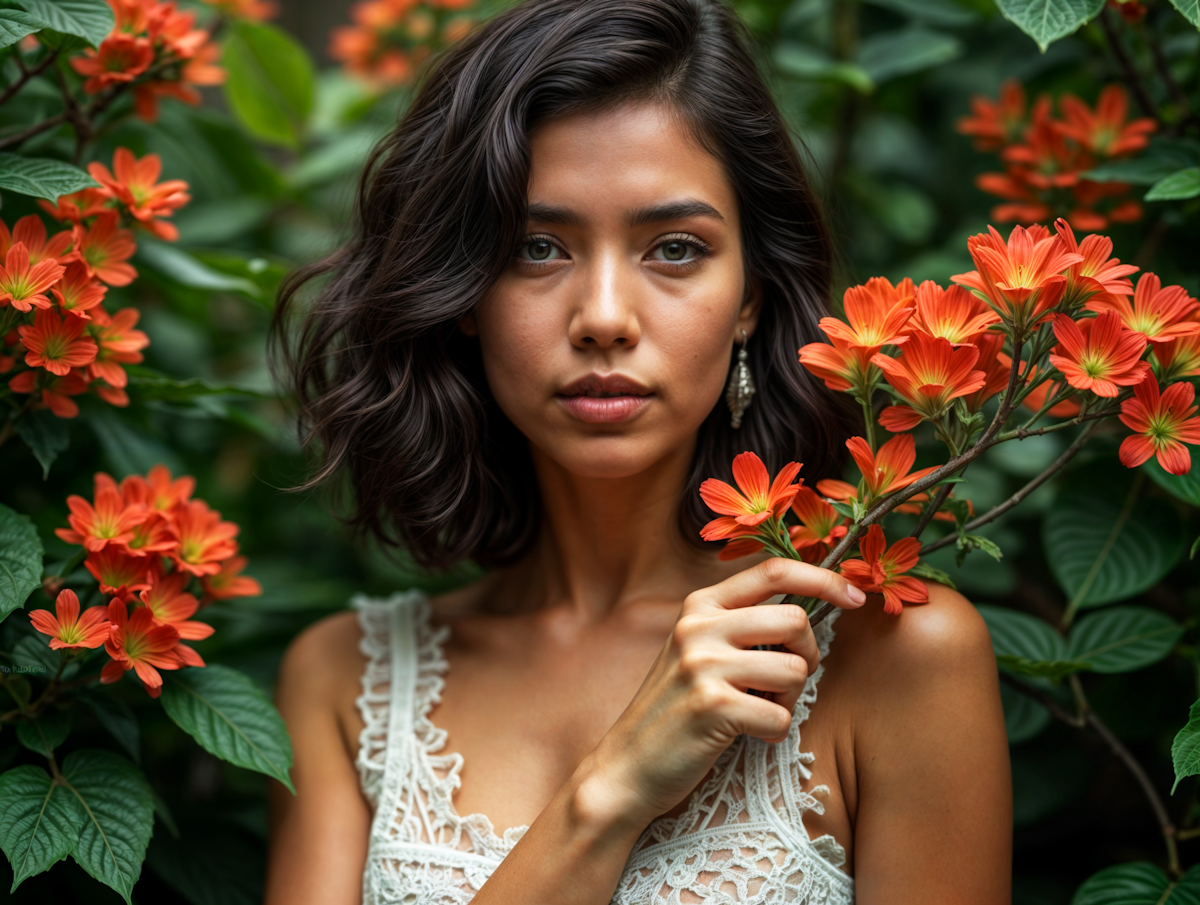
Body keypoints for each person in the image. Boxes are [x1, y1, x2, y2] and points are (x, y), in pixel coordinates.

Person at [263, 1, 1012, 902]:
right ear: (464, 291)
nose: (606, 317)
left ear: (750, 299)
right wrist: (610, 792)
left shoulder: (894, 654)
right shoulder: (344, 681)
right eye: (538, 247)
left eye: (675, 249)